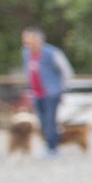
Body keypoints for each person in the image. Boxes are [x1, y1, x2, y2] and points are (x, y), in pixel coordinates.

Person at [21, 27, 73, 157]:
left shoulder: (52, 53)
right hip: (36, 93)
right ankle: (47, 145)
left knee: (50, 121)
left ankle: (53, 148)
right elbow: (28, 73)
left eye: (28, 38)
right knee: (42, 122)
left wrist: (62, 89)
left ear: (37, 39)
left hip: (52, 92)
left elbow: (67, 71)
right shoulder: (25, 53)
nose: (25, 41)